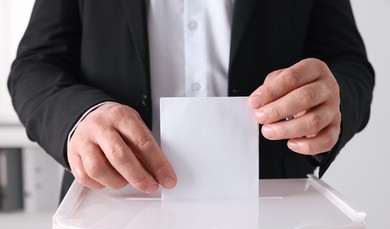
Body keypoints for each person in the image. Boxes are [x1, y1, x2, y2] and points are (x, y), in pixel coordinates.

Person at [8, 0, 374, 198]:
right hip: (114, 204)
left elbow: (348, 64)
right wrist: (79, 117)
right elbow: (36, 65)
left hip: (273, 210)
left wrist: (331, 101)